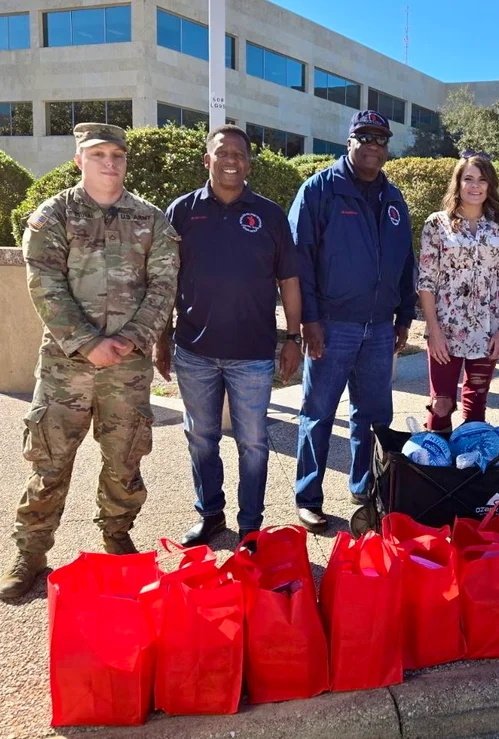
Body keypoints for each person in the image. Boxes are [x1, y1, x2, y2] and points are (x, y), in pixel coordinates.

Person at [0, 123, 180, 599]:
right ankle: (31, 553)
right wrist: (86, 342)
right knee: (49, 461)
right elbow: (44, 282)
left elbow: (164, 286)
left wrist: (132, 339)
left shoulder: (151, 219)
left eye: (117, 155)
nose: (109, 163)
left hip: (127, 367)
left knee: (125, 457)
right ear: (79, 159)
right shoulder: (54, 214)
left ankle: (117, 535)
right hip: (66, 367)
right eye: (98, 154)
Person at [155, 125, 302, 546]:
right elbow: (165, 280)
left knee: (253, 442)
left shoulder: (270, 215)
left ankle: (251, 525)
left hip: (252, 353)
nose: (231, 160)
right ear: (208, 160)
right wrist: (161, 336)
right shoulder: (182, 211)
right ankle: (211, 514)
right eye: (222, 152)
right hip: (194, 351)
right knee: (201, 438)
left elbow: (289, 279)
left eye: (239, 154)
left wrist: (292, 338)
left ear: (249, 163)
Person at [289, 110, 417, 533]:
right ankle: (309, 497)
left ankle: (365, 489)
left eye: (381, 139)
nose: (373, 145)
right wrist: (308, 319)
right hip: (332, 325)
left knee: (374, 416)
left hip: (379, 328)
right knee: (319, 413)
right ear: (349, 142)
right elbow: (299, 261)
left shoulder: (393, 198)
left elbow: (405, 262)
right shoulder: (320, 190)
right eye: (365, 137)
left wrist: (404, 316)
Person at [418, 152, 499, 431]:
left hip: (488, 330)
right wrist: (433, 331)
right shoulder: (436, 224)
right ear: (458, 183)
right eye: (468, 179)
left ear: (490, 185)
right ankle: (434, 456)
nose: (475, 186)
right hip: (445, 329)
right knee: (441, 403)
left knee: (476, 404)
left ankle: (471, 455)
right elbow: (426, 281)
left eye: (482, 180)